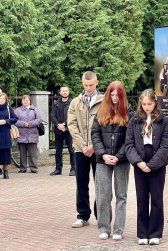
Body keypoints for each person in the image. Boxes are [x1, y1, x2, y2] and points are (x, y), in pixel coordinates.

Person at [125, 89, 168, 245]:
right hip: (140, 160)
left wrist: (152, 165)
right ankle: (142, 233)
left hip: (157, 161)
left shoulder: (163, 120)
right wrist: (138, 162)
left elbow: (165, 146)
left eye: (149, 104)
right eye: (143, 104)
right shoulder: (134, 119)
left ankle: (155, 233)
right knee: (142, 198)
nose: (146, 107)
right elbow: (129, 144)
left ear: (155, 102)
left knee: (157, 199)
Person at [91, 80, 133, 241]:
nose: (115, 98)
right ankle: (104, 227)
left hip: (121, 161)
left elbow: (130, 138)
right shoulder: (101, 111)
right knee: (103, 194)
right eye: (112, 94)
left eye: (118, 95)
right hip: (103, 160)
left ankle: (118, 229)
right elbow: (95, 134)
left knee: (121, 195)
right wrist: (102, 154)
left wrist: (119, 156)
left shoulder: (129, 113)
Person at [68, 71, 104, 228]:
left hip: (98, 149)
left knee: (101, 183)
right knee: (81, 182)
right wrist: (83, 146)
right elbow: (72, 125)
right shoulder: (75, 102)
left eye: (91, 85)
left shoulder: (105, 101)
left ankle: (101, 215)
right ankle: (83, 215)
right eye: (85, 85)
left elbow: (106, 125)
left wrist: (94, 146)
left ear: (97, 82)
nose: (88, 88)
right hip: (80, 149)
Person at [50, 86, 76, 176]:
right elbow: (52, 115)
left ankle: (73, 169)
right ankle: (58, 169)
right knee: (58, 151)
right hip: (58, 130)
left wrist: (64, 124)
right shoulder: (56, 103)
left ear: (68, 92)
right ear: (60, 93)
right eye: (63, 91)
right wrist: (58, 125)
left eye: (66, 91)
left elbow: (73, 116)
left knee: (71, 150)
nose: (64, 92)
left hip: (69, 130)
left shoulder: (72, 103)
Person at [14, 95, 42, 174]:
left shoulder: (35, 109)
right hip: (21, 134)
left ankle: (33, 168)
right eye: (24, 100)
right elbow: (14, 120)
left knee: (32, 153)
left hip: (32, 134)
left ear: (30, 101)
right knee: (22, 153)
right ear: (21, 101)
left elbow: (39, 120)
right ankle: (23, 168)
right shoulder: (17, 110)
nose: (25, 101)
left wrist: (29, 124)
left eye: (27, 100)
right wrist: (23, 124)